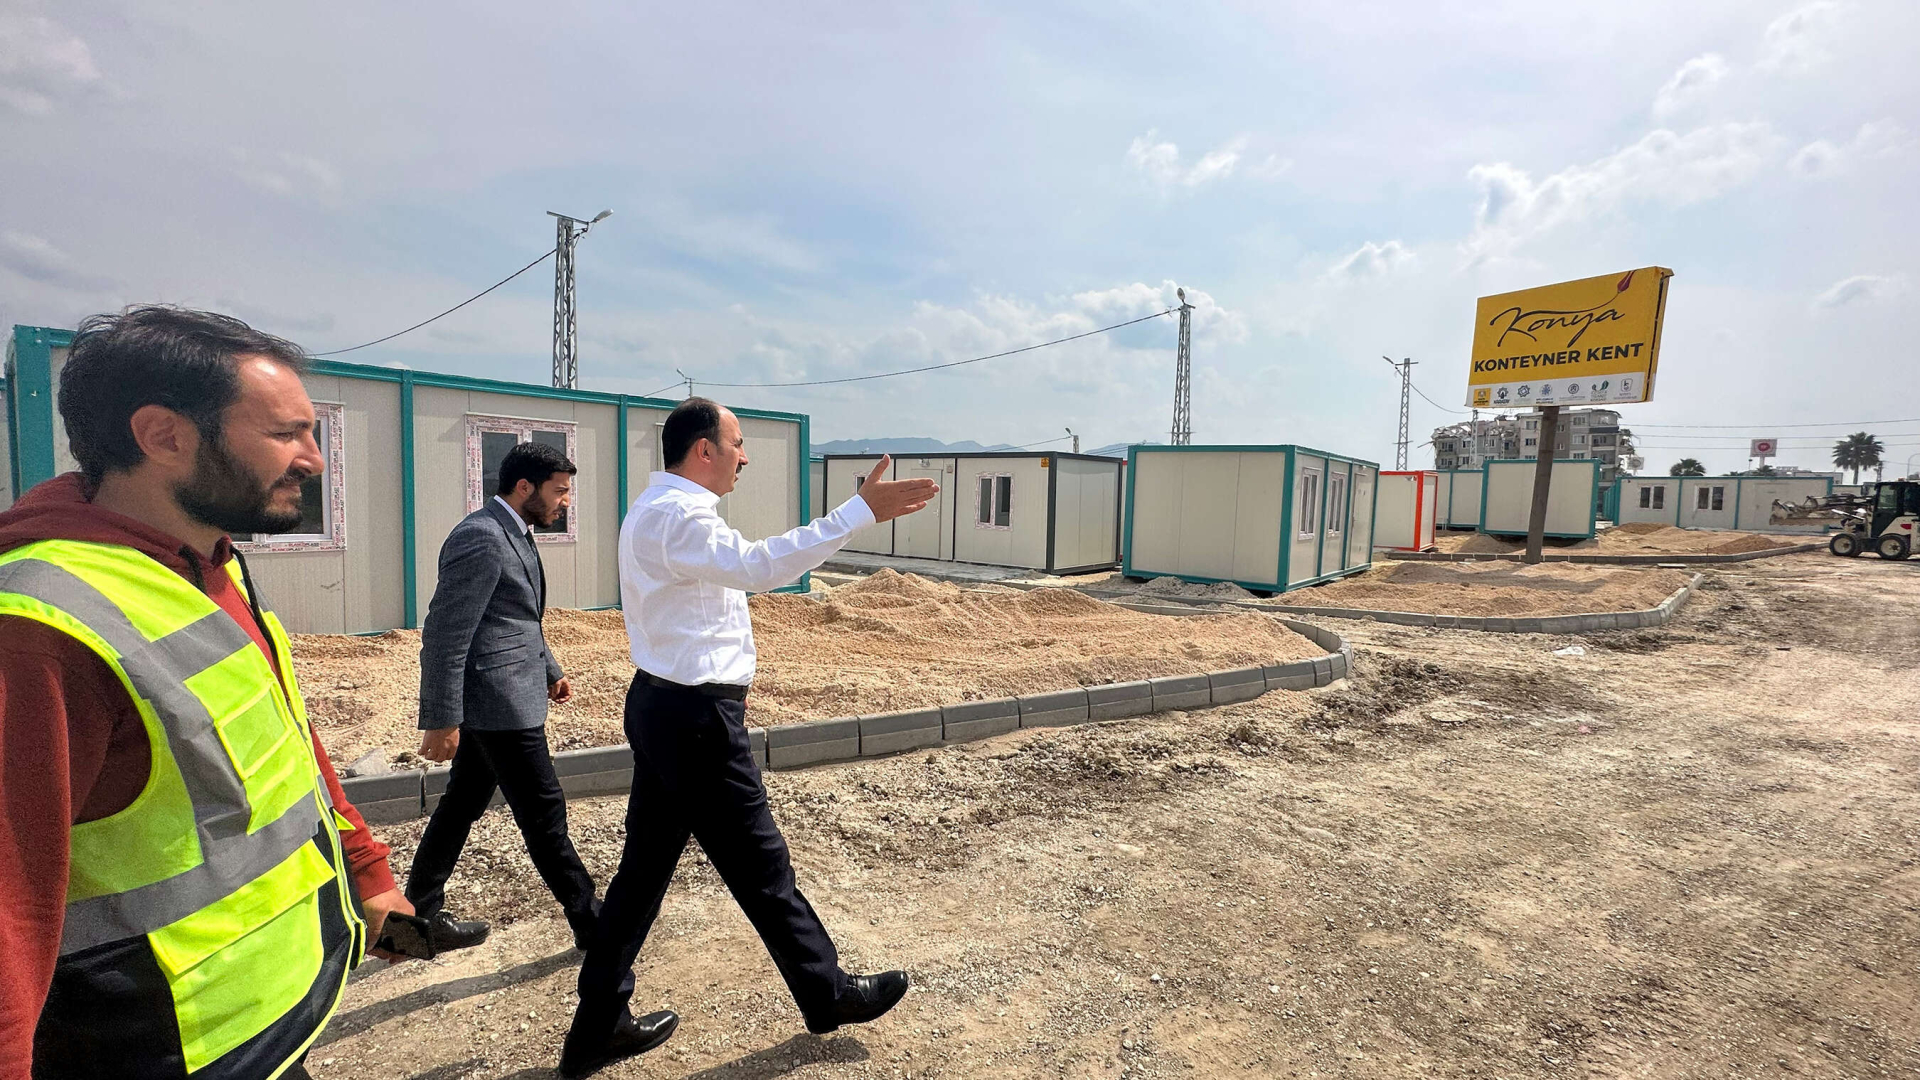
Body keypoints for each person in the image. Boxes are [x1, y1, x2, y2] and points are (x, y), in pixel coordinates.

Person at [0, 306, 422, 1079]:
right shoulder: (38, 626)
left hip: (271, 1028)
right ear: (163, 435)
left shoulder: (209, 562)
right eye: (286, 434)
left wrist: (368, 877)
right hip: (165, 1050)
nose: (313, 460)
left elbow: (288, 740)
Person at [561, 398, 937, 1077]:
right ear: (703, 449)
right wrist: (858, 513)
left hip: (667, 707)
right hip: (694, 722)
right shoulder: (679, 517)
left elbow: (720, 592)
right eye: (736, 443)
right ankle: (828, 993)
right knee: (762, 867)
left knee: (641, 876)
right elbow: (761, 566)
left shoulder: (663, 510)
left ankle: (596, 1028)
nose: (744, 456)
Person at [405, 441, 600, 954]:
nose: (565, 501)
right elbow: (445, 634)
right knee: (544, 815)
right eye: (559, 491)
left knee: (462, 803)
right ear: (524, 487)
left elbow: (514, 616)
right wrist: (442, 718)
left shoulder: (515, 531)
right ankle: (592, 922)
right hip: (499, 704)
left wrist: (550, 669)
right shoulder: (482, 537)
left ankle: (417, 915)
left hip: (508, 692)